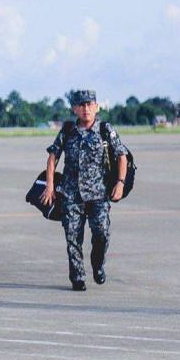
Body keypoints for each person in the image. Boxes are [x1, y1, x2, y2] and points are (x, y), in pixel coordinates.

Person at [40, 89, 128, 291]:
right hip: (71, 194)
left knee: (102, 232)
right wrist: (50, 185)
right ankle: (78, 276)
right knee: (72, 237)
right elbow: (53, 157)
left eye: (89, 105)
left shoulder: (105, 130)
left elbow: (121, 155)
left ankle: (98, 264)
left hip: (99, 194)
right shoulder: (68, 130)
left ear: (96, 107)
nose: (86, 109)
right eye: (81, 105)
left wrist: (120, 183)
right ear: (75, 109)